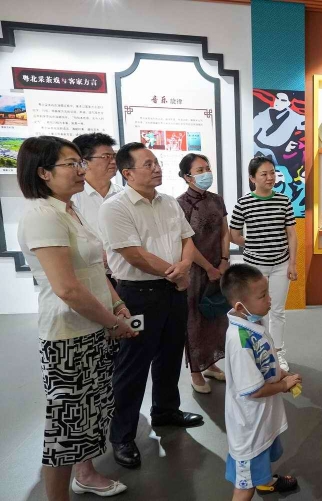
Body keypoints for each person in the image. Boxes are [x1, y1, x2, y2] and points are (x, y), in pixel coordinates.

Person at [16, 136, 137, 500]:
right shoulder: (43, 215)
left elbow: (95, 270)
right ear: (43, 172)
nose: (81, 170)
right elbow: (67, 288)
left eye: (80, 162)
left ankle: (85, 475)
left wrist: (117, 304)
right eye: (71, 164)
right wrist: (112, 322)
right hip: (68, 336)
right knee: (64, 429)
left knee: (90, 415)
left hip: (93, 327)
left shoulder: (69, 210)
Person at [99, 142, 203, 469]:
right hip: (138, 295)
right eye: (148, 164)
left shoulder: (169, 202)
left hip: (173, 291)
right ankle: (122, 435)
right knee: (132, 365)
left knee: (170, 355)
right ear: (127, 173)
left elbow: (187, 239)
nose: (156, 168)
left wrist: (184, 267)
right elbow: (133, 254)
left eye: (156, 162)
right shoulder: (115, 207)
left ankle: (166, 410)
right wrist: (176, 273)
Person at [220, 264, 301, 500]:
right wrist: (283, 386)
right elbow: (253, 390)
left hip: (262, 419)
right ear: (240, 307)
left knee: (263, 454)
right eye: (262, 296)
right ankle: (256, 484)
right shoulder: (240, 340)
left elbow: (264, 359)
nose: (269, 299)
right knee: (245, 486)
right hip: (249, 427)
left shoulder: (254, 324)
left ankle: (265, 481)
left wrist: (280, 374)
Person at [229, 156, 297, 372]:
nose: (270, 177)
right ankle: (261, 352)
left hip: (280, 264)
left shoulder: (284, 201)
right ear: (252, 178)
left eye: (272, 173)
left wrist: (293, 263)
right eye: (264, 174)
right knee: (257, 311)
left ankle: (278, 352)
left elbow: (291, 234)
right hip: (255, 267)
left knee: (277, 311)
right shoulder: (243, 203)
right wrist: (251, 243)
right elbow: (233, 234)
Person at [177, 153, 230, 393]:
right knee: (194, 321)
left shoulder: (217, 200)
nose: (206, 173)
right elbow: (185, 242)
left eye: (207, 168)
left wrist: (224, 261)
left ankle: (211, 364)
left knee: (216, 317)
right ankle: (196, 372)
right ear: (187, 176)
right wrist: (208, 267)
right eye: (200, 170)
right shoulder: (180, 204)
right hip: (195, 271)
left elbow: (224, 232)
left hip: (219, 267)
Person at [71, 133, 123, 286]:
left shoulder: (124, 195)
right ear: (84, 162)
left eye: (114, 156)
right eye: (106, 157)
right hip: (88, 275)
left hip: (124, 275)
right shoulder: (72, 197)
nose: (113, 161)